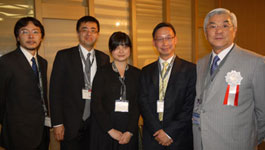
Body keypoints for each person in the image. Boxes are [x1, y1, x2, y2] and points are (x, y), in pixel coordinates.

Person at [192, 8, 265, 150]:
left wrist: (249, 140)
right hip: (202, 142)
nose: (218, 31)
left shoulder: (256, 63)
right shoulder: (201, 63)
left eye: (225, 25)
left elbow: (263, 112)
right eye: (212, 26)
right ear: (206, 33)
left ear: (235, 30)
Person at [49, 16, 110, 150]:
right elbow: (55, 91)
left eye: (93, 30)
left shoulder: (104, 58)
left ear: (97, 34)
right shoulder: (64, 56)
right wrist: (57, 123)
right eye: (84, 29)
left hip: (96, 123)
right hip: (70, 123)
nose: (89, 33)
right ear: (78, 33)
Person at [138, 22, 196, 150]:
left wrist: (169, 132)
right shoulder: (146, 71)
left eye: (168, 38)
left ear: (175, 40)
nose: (164, 43)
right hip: (153, 137)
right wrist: (157, 130)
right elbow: (143, 102)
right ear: (154, 43)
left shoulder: (191, 70)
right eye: (160, 39)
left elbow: (189, 105)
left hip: (179, 138)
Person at [0, 17, 50, 150]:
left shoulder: (43, 62)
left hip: (41, 131)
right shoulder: (6, 62)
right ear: (17, 37)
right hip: (18, 134)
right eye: (24, 32)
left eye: (35, 32)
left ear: (41, 37)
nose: (31, 36)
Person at [89, 31, 140, 150]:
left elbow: (138, 104)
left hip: (128, 129)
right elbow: (96, 104)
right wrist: (110, 130)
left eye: (125, 47)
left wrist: (130, 131)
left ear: (130, 49)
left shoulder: (137, 74)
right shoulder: (102, 72)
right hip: (105, 130)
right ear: (111, 50)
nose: (121, 51)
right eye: (117, 47)